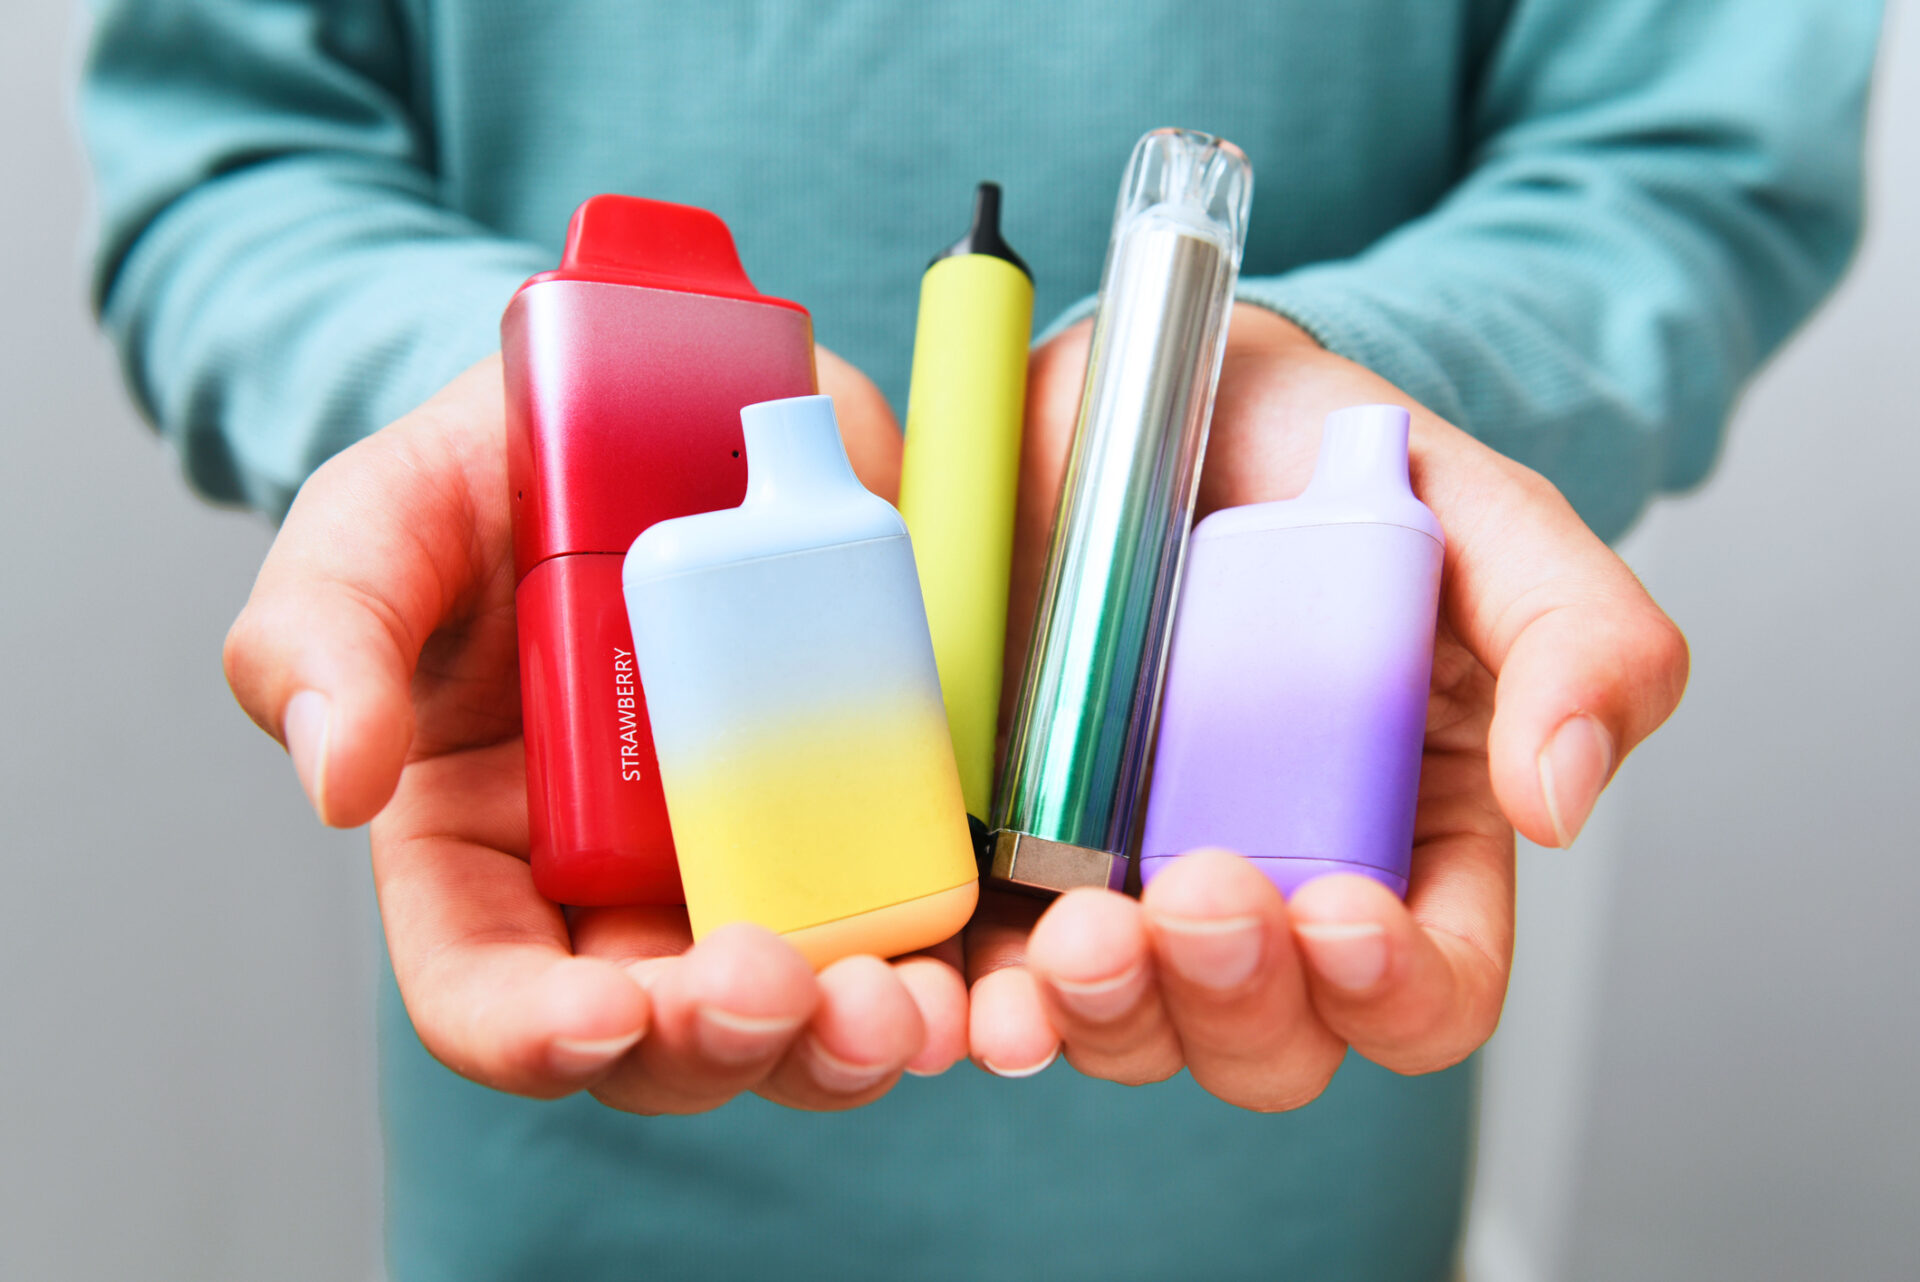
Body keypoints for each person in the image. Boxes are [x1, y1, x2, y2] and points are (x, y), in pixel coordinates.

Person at [82, 2, 1880, 1278]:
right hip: (586, 1128)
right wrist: (507, 420)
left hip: (1260, 1143)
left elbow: (1694, 162)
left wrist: (1361, 399)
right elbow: (228, 156)